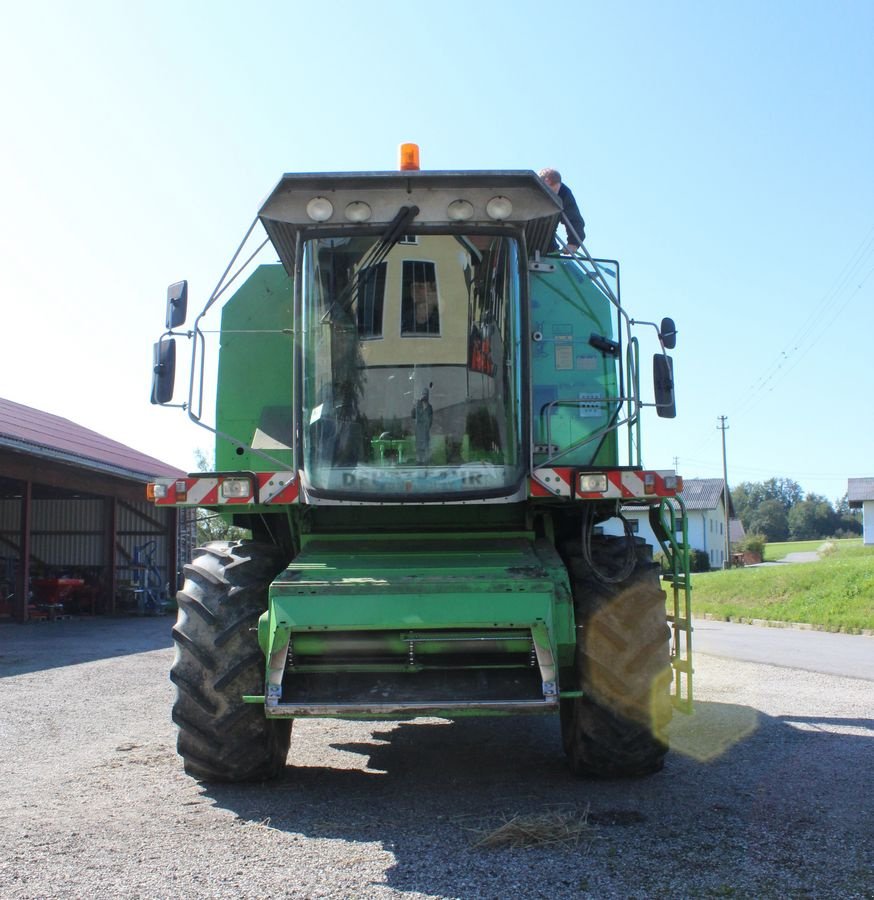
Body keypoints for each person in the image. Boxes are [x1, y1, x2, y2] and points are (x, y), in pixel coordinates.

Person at [539, 168, 586, 252]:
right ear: (543, 182)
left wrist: (573, 243)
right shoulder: (525, 188)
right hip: (515, 239)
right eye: (549, 192)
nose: (553, 196)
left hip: (546, 241)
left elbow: (574, 219)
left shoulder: (564, 193)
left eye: (555, 192)